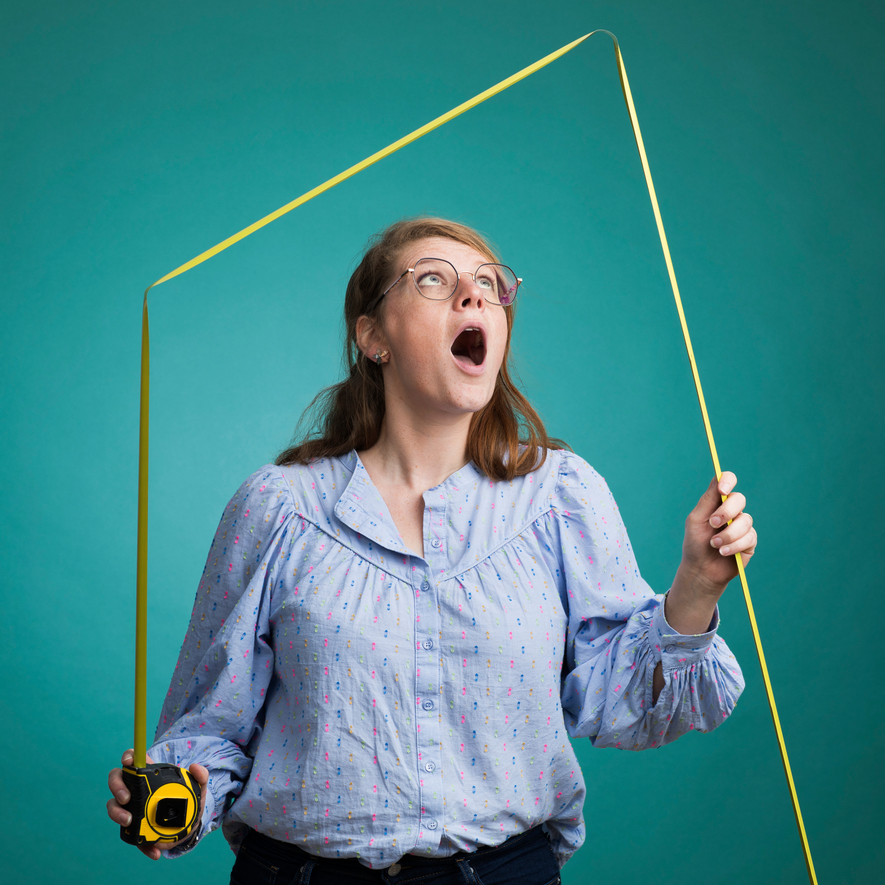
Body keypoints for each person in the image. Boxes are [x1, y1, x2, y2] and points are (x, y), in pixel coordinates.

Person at [107, 217, 754, 884]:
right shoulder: (278, 508)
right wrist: (176, 799)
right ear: (372, 335)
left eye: (487, 285)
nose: (472, 297)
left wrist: (696, 587)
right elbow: (211, 727)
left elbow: (618, 701)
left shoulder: (562, 497)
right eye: (433, 281)